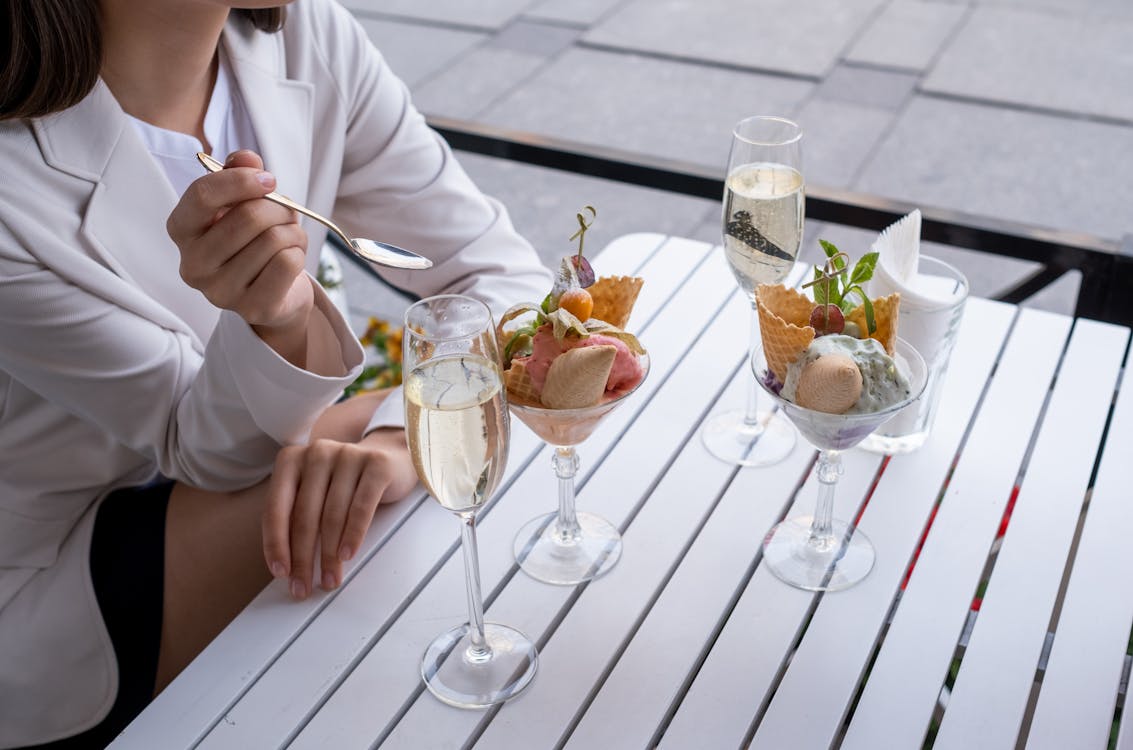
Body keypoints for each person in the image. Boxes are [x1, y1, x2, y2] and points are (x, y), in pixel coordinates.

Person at [0, 0, 552, 746]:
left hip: (252, 473)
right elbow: (202, 449)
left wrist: (395, 436)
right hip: (69, 567)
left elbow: (506, 281)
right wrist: (280, 321)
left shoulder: (311, 38)